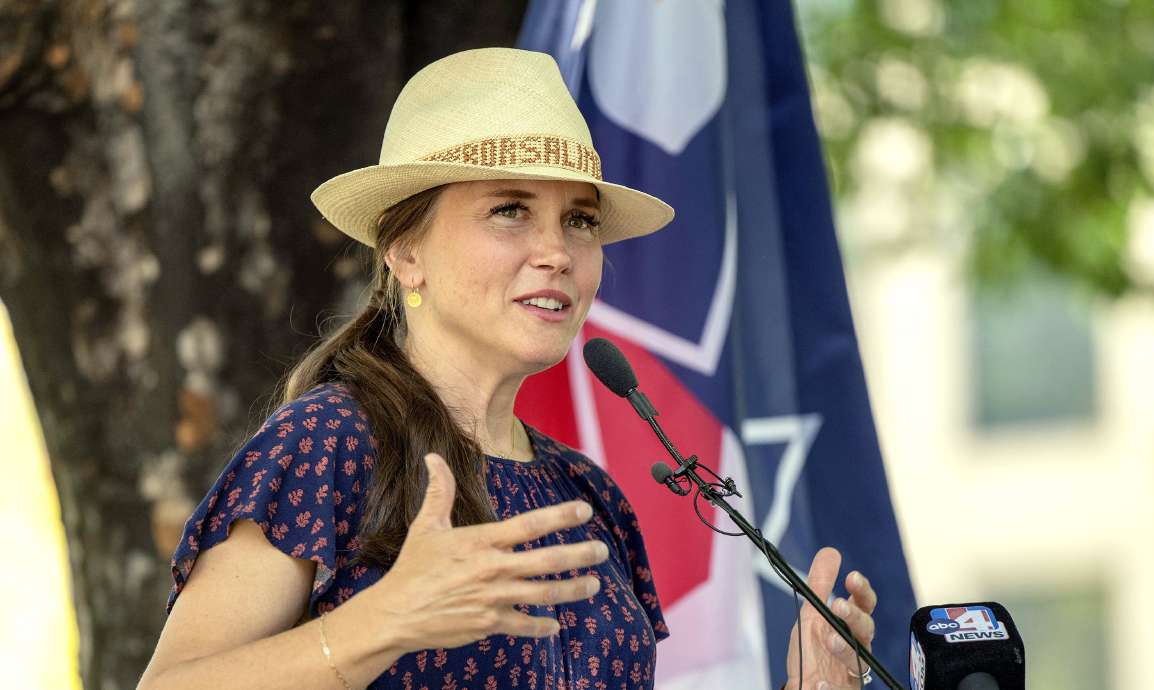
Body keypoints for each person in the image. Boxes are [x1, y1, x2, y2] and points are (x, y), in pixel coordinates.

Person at [136, 47, 878, 690]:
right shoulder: (329, 441)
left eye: (579, 221)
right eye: (509, 210)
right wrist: (381, 624)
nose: (556, 251)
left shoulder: (587, 494)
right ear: (405, 253)